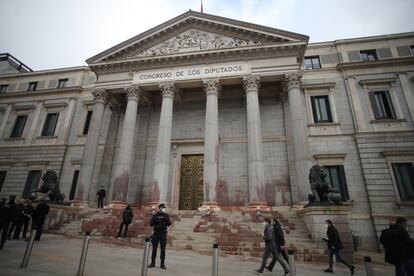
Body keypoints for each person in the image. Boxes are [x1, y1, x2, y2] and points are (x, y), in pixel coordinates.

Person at [148, 203, 171, 269]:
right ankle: (152, 263)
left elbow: (169, 223)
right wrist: (154, 218)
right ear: (159, 208)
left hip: (163, 234)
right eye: (161, 207)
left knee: (163, 249)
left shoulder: (166, 215)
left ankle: (162, 264)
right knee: (154, 249)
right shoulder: (155, 215)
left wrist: (164, 219)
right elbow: (151, 224)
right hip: (156, 234)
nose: (162, 209)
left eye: (163, 208)